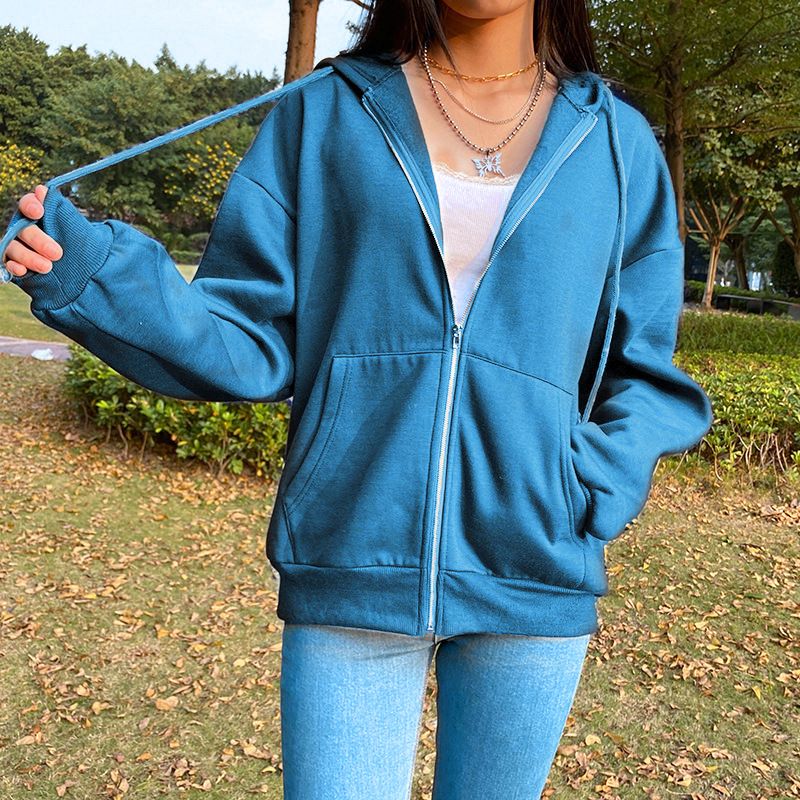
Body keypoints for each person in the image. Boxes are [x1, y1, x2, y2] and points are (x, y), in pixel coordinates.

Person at [1, 1, 714, 797]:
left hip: (536, 572)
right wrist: (94, 275)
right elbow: (249, 330)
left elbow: (642, 368)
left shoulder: (616, 142)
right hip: (349, 558)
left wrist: (588, 481)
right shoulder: (326, 111)